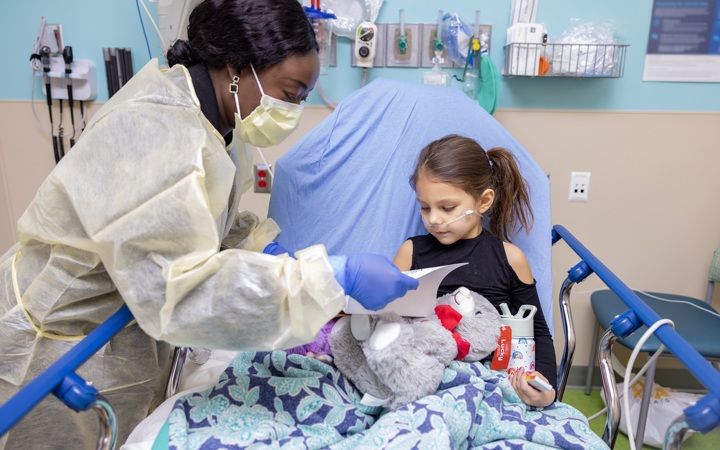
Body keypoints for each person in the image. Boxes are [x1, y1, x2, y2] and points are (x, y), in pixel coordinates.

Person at [0, 0, 416, 447]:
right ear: (237, 68)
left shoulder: (218, 125)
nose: (295, 108)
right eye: (291, 92)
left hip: (120, 334)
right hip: (58, 345)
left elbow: (210, 225)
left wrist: (271, 256)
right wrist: (327, 277)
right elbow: (185, 289)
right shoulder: (157, 131)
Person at [392, 134, 556, 408]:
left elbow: (538, 332)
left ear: (483, 201)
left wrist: (546, 387)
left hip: (490, 387)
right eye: (424, 207)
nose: (433, 219)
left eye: (447, 208)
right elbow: (385, 320)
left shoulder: (510, 259)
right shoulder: (410, 253)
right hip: (423, 383)